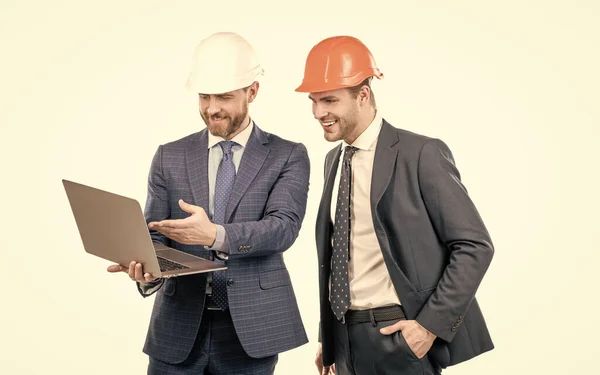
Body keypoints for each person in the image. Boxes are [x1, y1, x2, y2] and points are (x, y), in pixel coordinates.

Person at [107, 31, 310, 374]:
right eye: (204, 96)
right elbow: (154, 233)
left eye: (225, 97)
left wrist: (215, 235)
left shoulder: (287, 155)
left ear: (252, 92)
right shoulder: (169, 156)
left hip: (250, 330)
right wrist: (146, 269)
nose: (211, 108)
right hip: (177, 327)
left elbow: (283, 228)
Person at [295, 35, 495, 375]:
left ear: (363, 95)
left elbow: (475, 246)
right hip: (343, 340)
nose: (319, 112)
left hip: (397, 335)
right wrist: (327, 338)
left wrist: (428, 327)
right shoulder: (334, 160)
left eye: (329, 100)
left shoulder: (420, 154)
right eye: (313, 101)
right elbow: (340, 256)